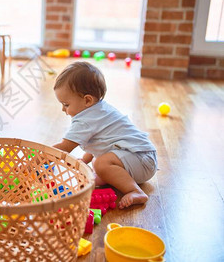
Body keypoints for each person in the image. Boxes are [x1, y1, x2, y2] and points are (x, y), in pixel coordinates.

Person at [52, 62, 157, 209]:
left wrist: (41, 157)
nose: (63, 109)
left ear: (87, 100)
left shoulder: (86, 120)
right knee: (98, 163)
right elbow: (97, 143)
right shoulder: (97, 110)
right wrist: (84, 159)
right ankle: (105, 178)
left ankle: (135, 191)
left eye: (66, 104)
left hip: (141, 160)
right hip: (142, 158)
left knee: (101, 163)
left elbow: (64, 147)